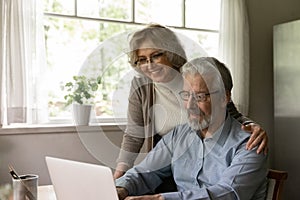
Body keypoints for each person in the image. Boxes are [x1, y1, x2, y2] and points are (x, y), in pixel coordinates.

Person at [114, 24, 268, 180]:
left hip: (204, 162)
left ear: (171, 52)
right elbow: (134, 134)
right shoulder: (141, 85)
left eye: (156, 56)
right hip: (168, 164)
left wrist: (252, 127)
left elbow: (228, 111)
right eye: (142, 60)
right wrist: (120, 173)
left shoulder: (193, 76)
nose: (150, 65)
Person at [115, 57, 268, 200]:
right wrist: (121, 189)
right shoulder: (178, 135)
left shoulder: (250, 144)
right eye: (186, 95)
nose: (190, 105)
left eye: (200, 97)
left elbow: (229, 193)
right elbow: (144, 172)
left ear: (224, 98)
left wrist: (161, 198)